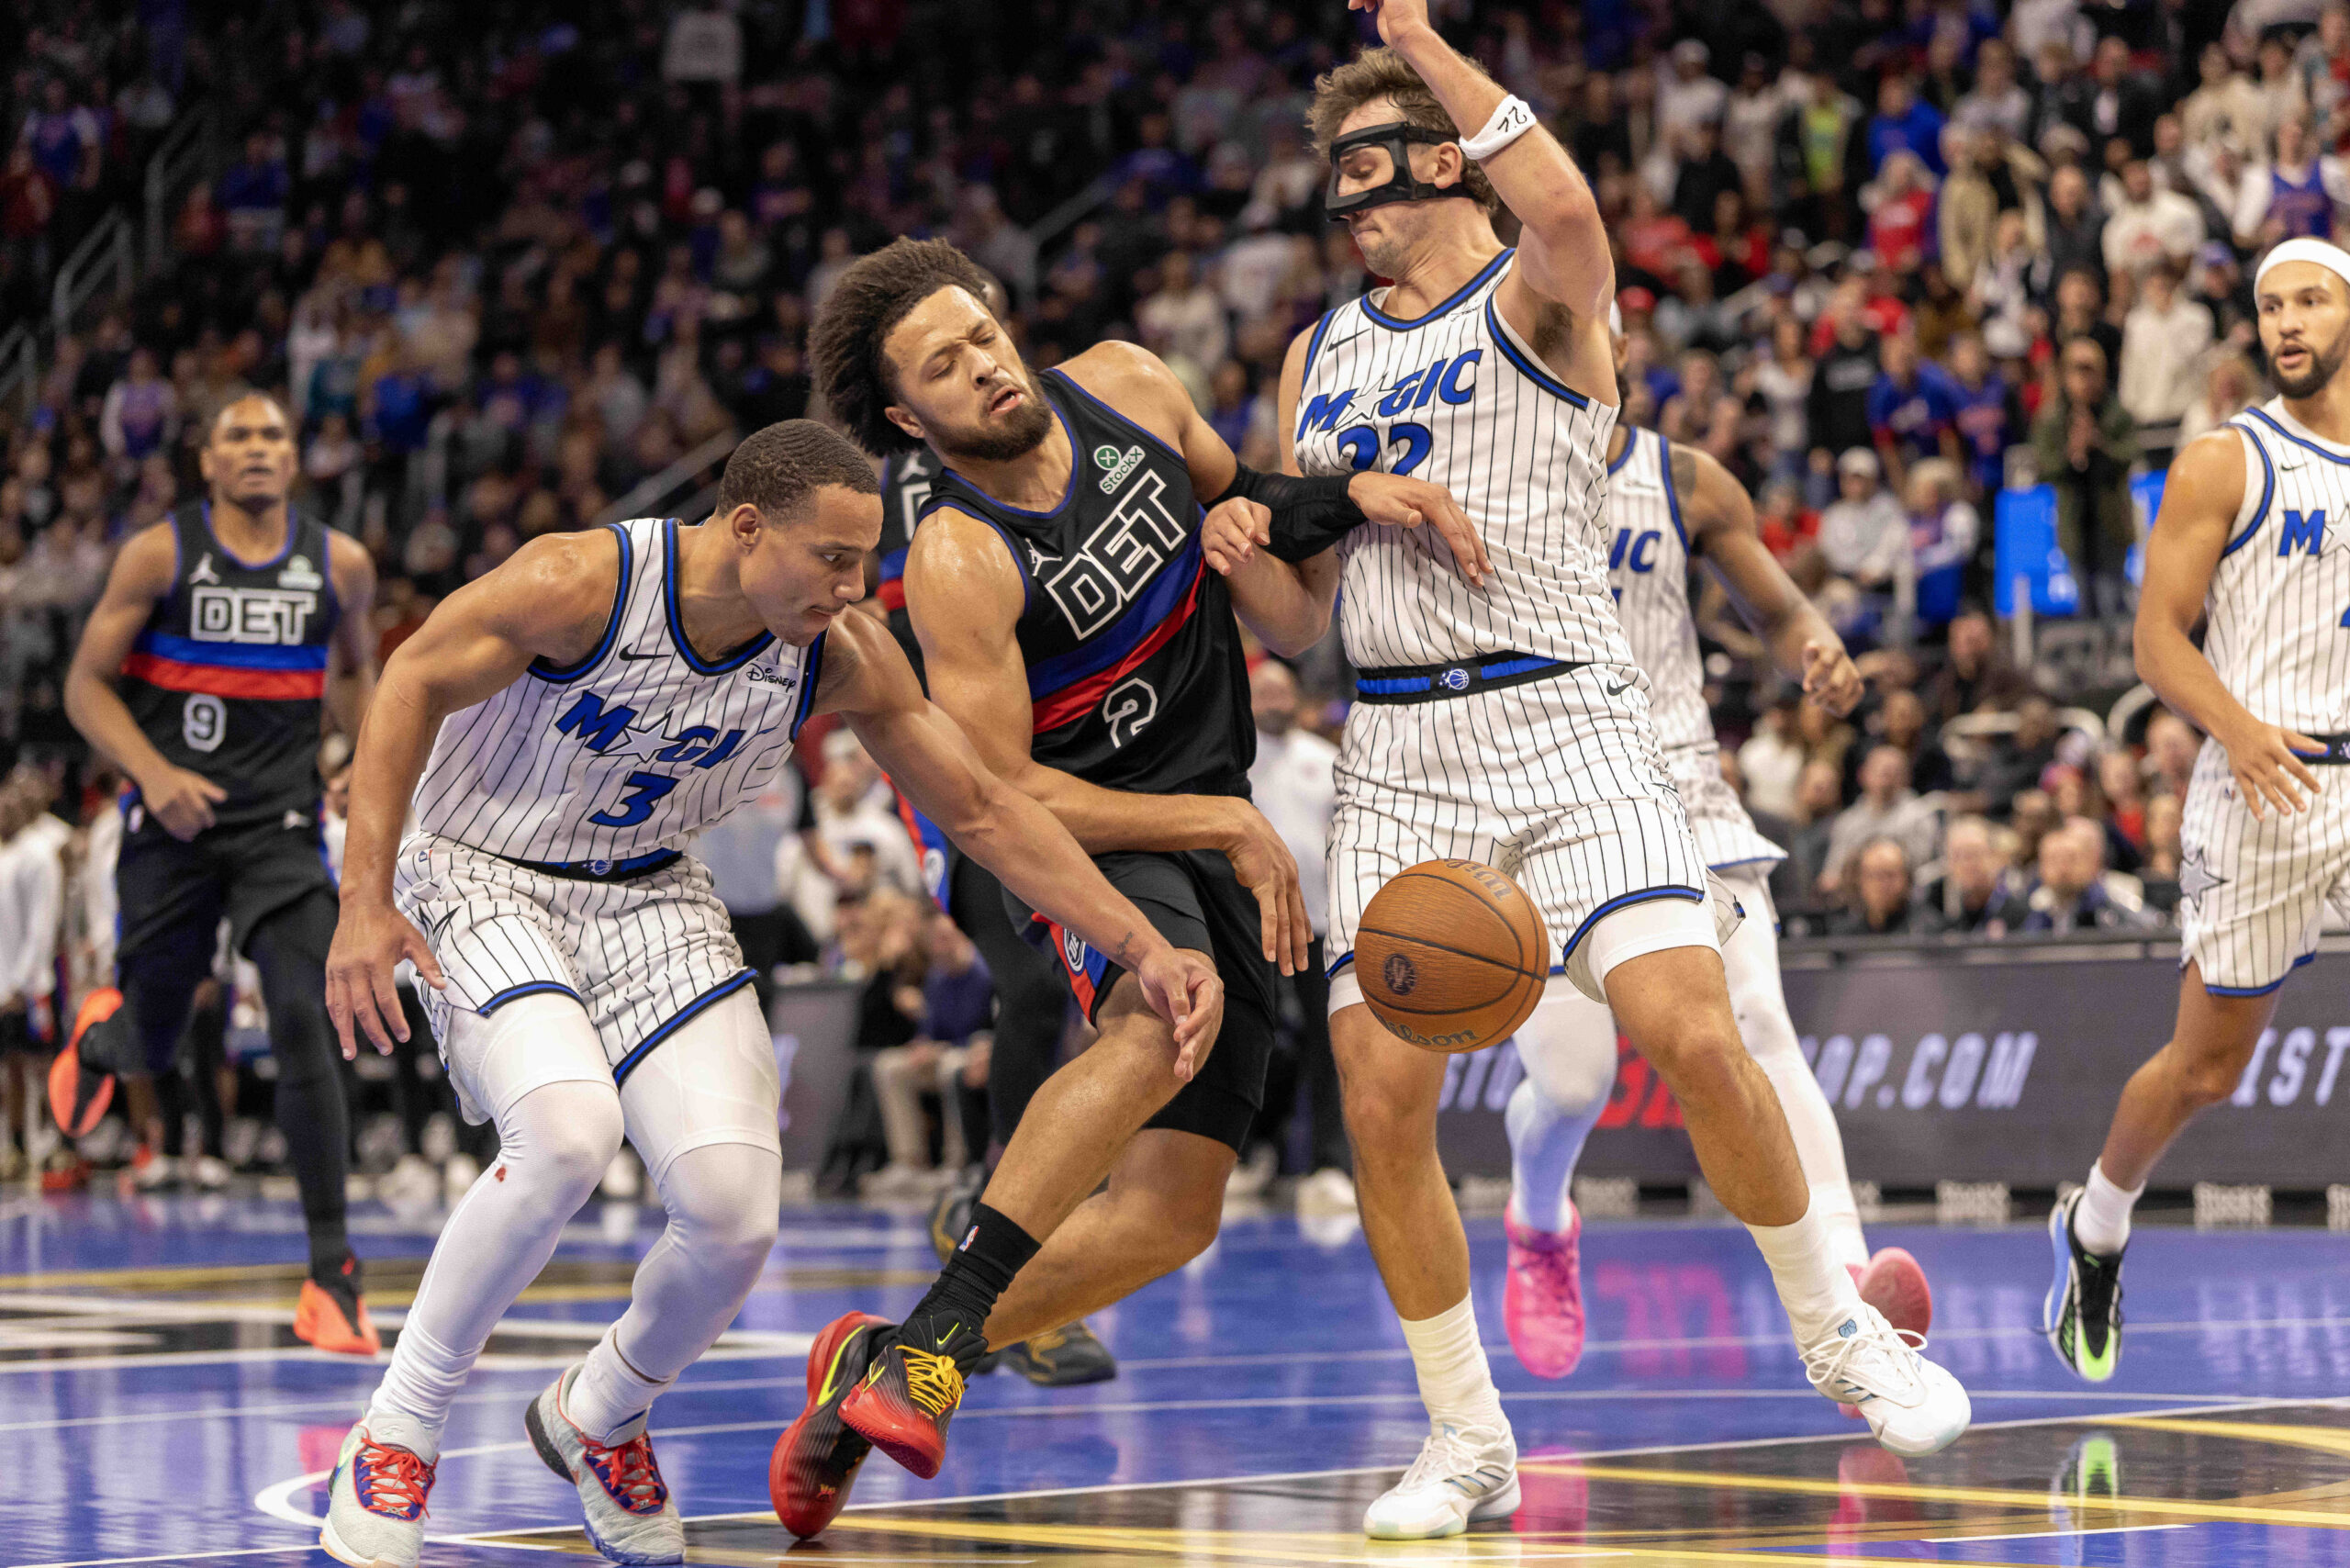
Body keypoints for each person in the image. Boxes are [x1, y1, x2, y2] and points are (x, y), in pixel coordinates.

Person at [1204, 10, 1967, 1540]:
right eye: (1340, 190)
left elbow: (1564, 205)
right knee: (1380, 1094)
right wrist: (1248, 559)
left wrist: (1423, 39)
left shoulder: (1542, 290)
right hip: (1402, 744)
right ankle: (1466, 1434)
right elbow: (1304, 615)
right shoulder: (1321, 352)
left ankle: (1838, 1332)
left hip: (1570, 712)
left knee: (1690, 1025)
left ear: (1448, 167)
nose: (1354, 212)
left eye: (1378, 180)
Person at [313, 420, 1222, 1568]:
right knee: (563, 1133)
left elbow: (984, 813)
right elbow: (409, 680)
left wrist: (1140, 943)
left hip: (649, 894)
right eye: (832, 558)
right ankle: (399, 1431)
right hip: (479, 867)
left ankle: (601, 1412)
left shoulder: (840, 649)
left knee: (737, 1214)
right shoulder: (578, 582)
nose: (853, 587)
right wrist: (362, 896)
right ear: (746, 528)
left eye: (864, 560)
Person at [778, 233, 1479, 1540]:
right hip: (1063, 835)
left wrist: (1351, 498)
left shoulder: (1134, 388)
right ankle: (932, 1347)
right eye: (944, 367)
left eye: (980, 334)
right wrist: (1215, 817)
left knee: (1171, 1217)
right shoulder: (957, 557)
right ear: (904, 416)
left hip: (1202, 814)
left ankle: (881, 1354)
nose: (983, 368)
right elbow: (999, 798)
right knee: (1158, 1018)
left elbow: (1268, 522)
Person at [1483, 318, 1931, 1399]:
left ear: (1622, 359)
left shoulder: (1681, 480)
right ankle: (1539, 1218)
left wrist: (1815, 647)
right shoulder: (1483, 475)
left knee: (1760, 1021)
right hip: (1545, 802)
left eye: (1596, 343)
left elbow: (1776, 609)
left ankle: (1849, 1272)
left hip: (1683, 792)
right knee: (1573, 1082)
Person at [2046, 238, 2350, 1385]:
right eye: (2271, 305)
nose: (2286, 322)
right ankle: (2098, 1224)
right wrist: (2236, 727)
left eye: (2310, 302)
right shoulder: (2225, 460)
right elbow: (2155, 640)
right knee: (2206, 1068)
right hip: (2260, 779)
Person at [54, 393, 380, 1354]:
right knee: (158, 1044)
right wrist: (153, 777)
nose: (257, 448)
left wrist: (365, 757)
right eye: (236, 434)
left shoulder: (341, 565)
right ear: (207, 460)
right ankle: (108, 1038)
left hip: (280, 828)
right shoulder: (159, 554)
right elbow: (83, 684)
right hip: (170, 829)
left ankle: (332, 1277)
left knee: (300, 1014)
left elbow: (360, 676)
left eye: (272, 434)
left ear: (294, 458)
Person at [1238, 656, 1349, 1200]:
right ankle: (1247, 1153)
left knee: (1326, 1046)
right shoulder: (1232, 762)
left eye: (1283, 693)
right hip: (1249, 925)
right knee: (1257, 1041)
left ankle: (1329, 1166)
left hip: (1320, 923)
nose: (1275, 702)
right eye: (1264, 693)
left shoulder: (1327, 760)